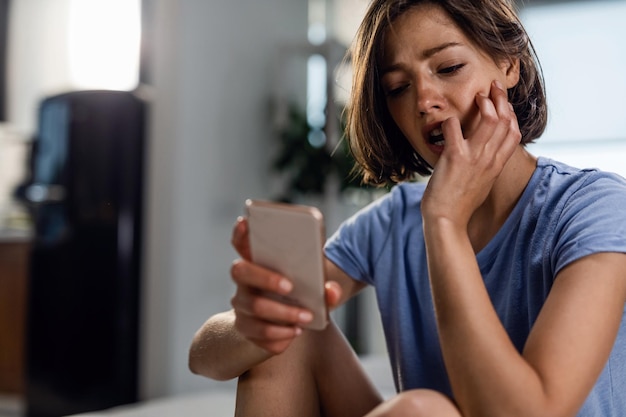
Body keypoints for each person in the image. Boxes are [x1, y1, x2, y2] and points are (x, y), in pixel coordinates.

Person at [188, 0, 626, 415]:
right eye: (398, 88)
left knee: (422, 411)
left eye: (449, 68)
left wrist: (444, 222)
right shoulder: (393, 220)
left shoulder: (595, 209)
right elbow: (203, 358)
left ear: (509, 65)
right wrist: (254, 324)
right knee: (293, 328)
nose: (424, 101)